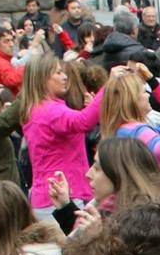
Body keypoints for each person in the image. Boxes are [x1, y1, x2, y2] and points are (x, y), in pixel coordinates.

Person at [18, 54, 110, 220]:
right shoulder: (50, 110)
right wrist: (108, 86)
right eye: (58, 73)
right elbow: (83, 122)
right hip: (60, 196)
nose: (65, 76)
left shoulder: (37, 108)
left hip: (48, 196)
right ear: (43, 78)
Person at [98, 68, 160, 178]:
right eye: (143, 91)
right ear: (132, 99)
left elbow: (150, 141)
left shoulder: (121, 130)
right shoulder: (137, 130)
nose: (148, 95)